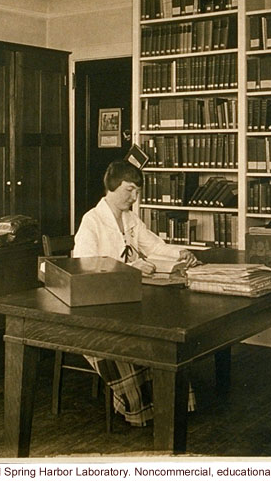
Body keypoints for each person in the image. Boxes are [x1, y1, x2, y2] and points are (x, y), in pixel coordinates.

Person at [73, 159, 198, 426]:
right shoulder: (91, 221)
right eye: (129, 190)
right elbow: (85, 269)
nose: (135, 197)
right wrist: (130, 268)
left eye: (137, 191)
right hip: (98, 305)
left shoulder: (130, 218)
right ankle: (140, 410)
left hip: (127, 299)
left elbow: (152, 245)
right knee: (130, 341)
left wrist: (180, 252)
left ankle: (165, 405)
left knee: (158, 332)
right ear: (112, 187)